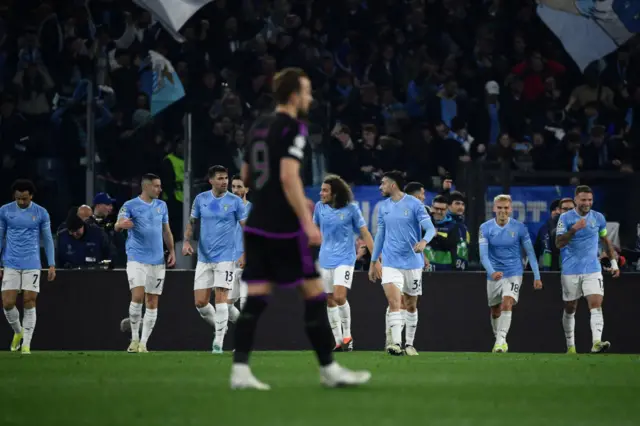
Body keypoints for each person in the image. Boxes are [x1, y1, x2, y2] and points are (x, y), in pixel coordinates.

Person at [231, 67, 371, 390]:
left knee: (255, 299)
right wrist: (307, 221)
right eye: (306, 91)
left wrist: (270, 195)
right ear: (294, 95)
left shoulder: (258, 126)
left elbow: (248, 177)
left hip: (256, 225)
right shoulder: (293, 127)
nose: (310, 97)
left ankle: (239, 372)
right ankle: (329, 369)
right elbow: (288, 176)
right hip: (283, 227)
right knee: (313, 294)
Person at [369, 171, 436, 356]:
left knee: (411, 304)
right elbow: (380, 235)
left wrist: (423, 242)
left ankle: (409, 344)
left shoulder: (414, 204)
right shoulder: (383, 207)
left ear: (392, 185)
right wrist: (374, 261)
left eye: (383, 183)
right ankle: (396, 344)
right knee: (394, 302)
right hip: (391, 262)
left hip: (413, 263)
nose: (380, 187)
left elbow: (430, 229)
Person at [182, 166, 247, 354]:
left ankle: (218, 343)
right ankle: (222, 326)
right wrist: (186, 241)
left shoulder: (235, 202)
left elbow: (245, 228)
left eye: (226, 178)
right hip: (204, 257)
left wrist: (244, 252)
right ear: (211, 180)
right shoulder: (201, 199)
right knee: (200, 303)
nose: (225, 182)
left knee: (221, 298)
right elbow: (192, 222)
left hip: (226, 257)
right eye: (220, 178)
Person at [115, 173, 176, 353]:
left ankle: (143, 343)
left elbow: (166, 231)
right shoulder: (130, 205)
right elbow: (118, 223)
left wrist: (171, 250)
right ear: (146, 187)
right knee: (138, 296)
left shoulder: (161, 206)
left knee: (152, 301)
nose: (160, 189)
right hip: (136, 259)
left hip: (157, 260)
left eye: (160, 185)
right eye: (156, 186)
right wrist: (121, 225)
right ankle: (134, 339)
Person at [556, 186, 620, 354]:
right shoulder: (565, 218)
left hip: (592, 268)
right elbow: (559, 243)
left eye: (590, 200)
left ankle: (596, 342)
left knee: (596, 304)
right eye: (583, 200)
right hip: (570, 270)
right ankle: (570, 346)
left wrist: (614, 263)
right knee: (570, 308)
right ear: (576, 200)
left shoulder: (598, 218)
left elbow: (605, 240)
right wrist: (574, 229)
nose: (587, 203)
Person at [314, 174, 374, 352]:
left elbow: (365, 234)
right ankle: (338, 341)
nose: (321, 193)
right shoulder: (319, 208)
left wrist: (376, 259)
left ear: (335, 193)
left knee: (339, 297)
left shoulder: (352, 209)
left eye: (325, 190)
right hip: (325, 259)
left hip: (345, 259)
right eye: (321, 190)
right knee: (329, 299)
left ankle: (347, 335)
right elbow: (314, 231)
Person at [479, 194, 543, 353]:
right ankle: (499, 339)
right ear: (494, 209)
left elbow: (530, 253)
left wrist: (537, 276)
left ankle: (500, 341)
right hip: (494, 275)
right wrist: (492, 272)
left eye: (506, 208)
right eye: (499, 208)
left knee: (507, 302)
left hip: (514, 272)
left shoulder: (520, 227)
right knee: (494, 309)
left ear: (511, 209)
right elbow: (483, 255)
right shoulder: (485, 228)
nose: (502, 211)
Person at [0, 179, 56, 354]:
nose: (21, 202)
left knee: (29, 300)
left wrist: (51, 263)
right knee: (8, 303)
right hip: (10, 262)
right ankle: (19, 332)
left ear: (31, 196)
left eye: (24, 198)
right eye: (18, 199)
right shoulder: (4, 211)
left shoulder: (41, 213)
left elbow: (47, 239)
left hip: (32, 263)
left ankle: (27, 345)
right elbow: (0, 236)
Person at [424, 194, 469, 271]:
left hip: (444, 269)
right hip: (424, 268)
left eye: (442, 209)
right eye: (436, 208)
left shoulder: (454, 226)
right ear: (431, 208)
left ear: (447, 210)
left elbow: (450, 245)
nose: (438, 211)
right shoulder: (424, 222)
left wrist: (435, 235)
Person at [229, 175, 252, 312]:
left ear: (247, 189)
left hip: (246, 262)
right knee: (226, 305)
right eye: (233, 187)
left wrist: (245, 253)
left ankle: (248, 332)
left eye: (239, 187)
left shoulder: (252, 210)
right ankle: (243, 330)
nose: (235, 190)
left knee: (245, 303)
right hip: (230, 262)